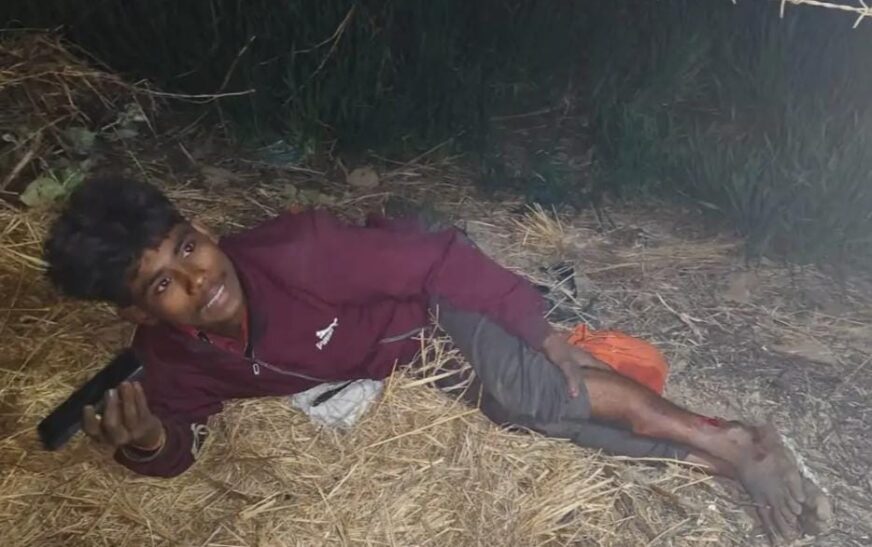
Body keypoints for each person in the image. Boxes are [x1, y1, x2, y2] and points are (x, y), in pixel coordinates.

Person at [44, 177, 830, 543]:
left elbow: (439, 258)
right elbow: (177, 444)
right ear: (138, 312)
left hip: (429, 293)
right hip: (407, 358)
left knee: (531, 390)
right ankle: (718, 460)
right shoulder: (166, 359)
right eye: (162, 283)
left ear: (203, 228)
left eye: (187, 246)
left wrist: (537, 326)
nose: (198, 278)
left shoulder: (300, 253)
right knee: (543, 427)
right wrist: (148, 441)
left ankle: (731, 439)